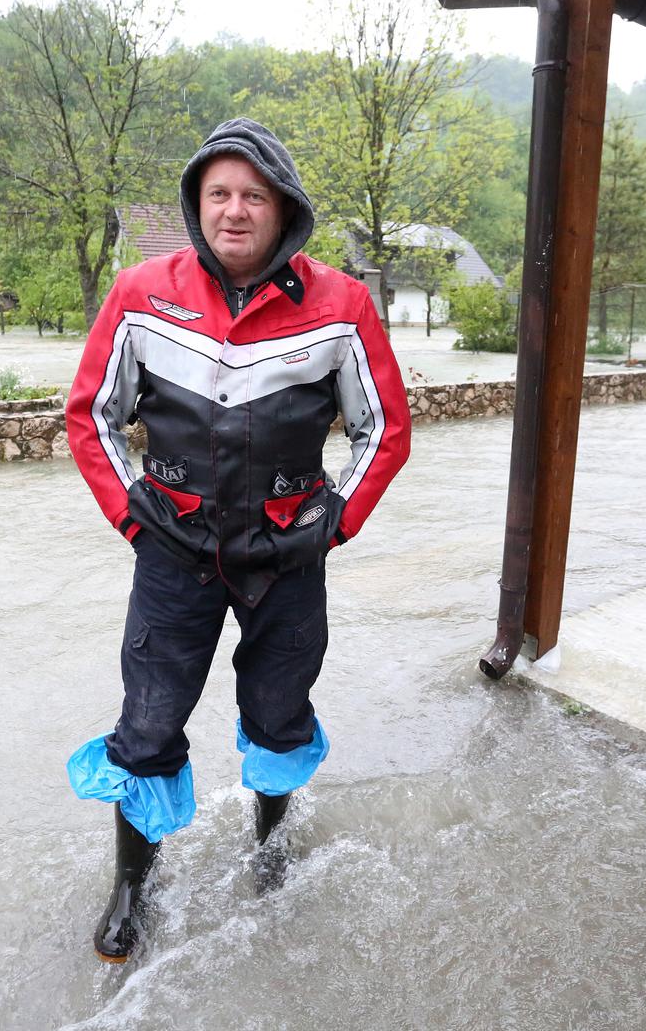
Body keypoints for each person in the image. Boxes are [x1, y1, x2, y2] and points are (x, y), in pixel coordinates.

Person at [63, 118, 411, 960]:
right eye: (218, 192)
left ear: (281, 208)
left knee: (277, 713)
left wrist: (334, 524)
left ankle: (269, 849)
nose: (234, 210)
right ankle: (129, 888)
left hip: (287, 557)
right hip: (172, 553)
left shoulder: (341, 305)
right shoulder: (143, 291)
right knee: (146, 723)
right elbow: (90, 415)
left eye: (253, 195)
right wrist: (129, 517)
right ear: (196, 204)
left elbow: (384, 427)